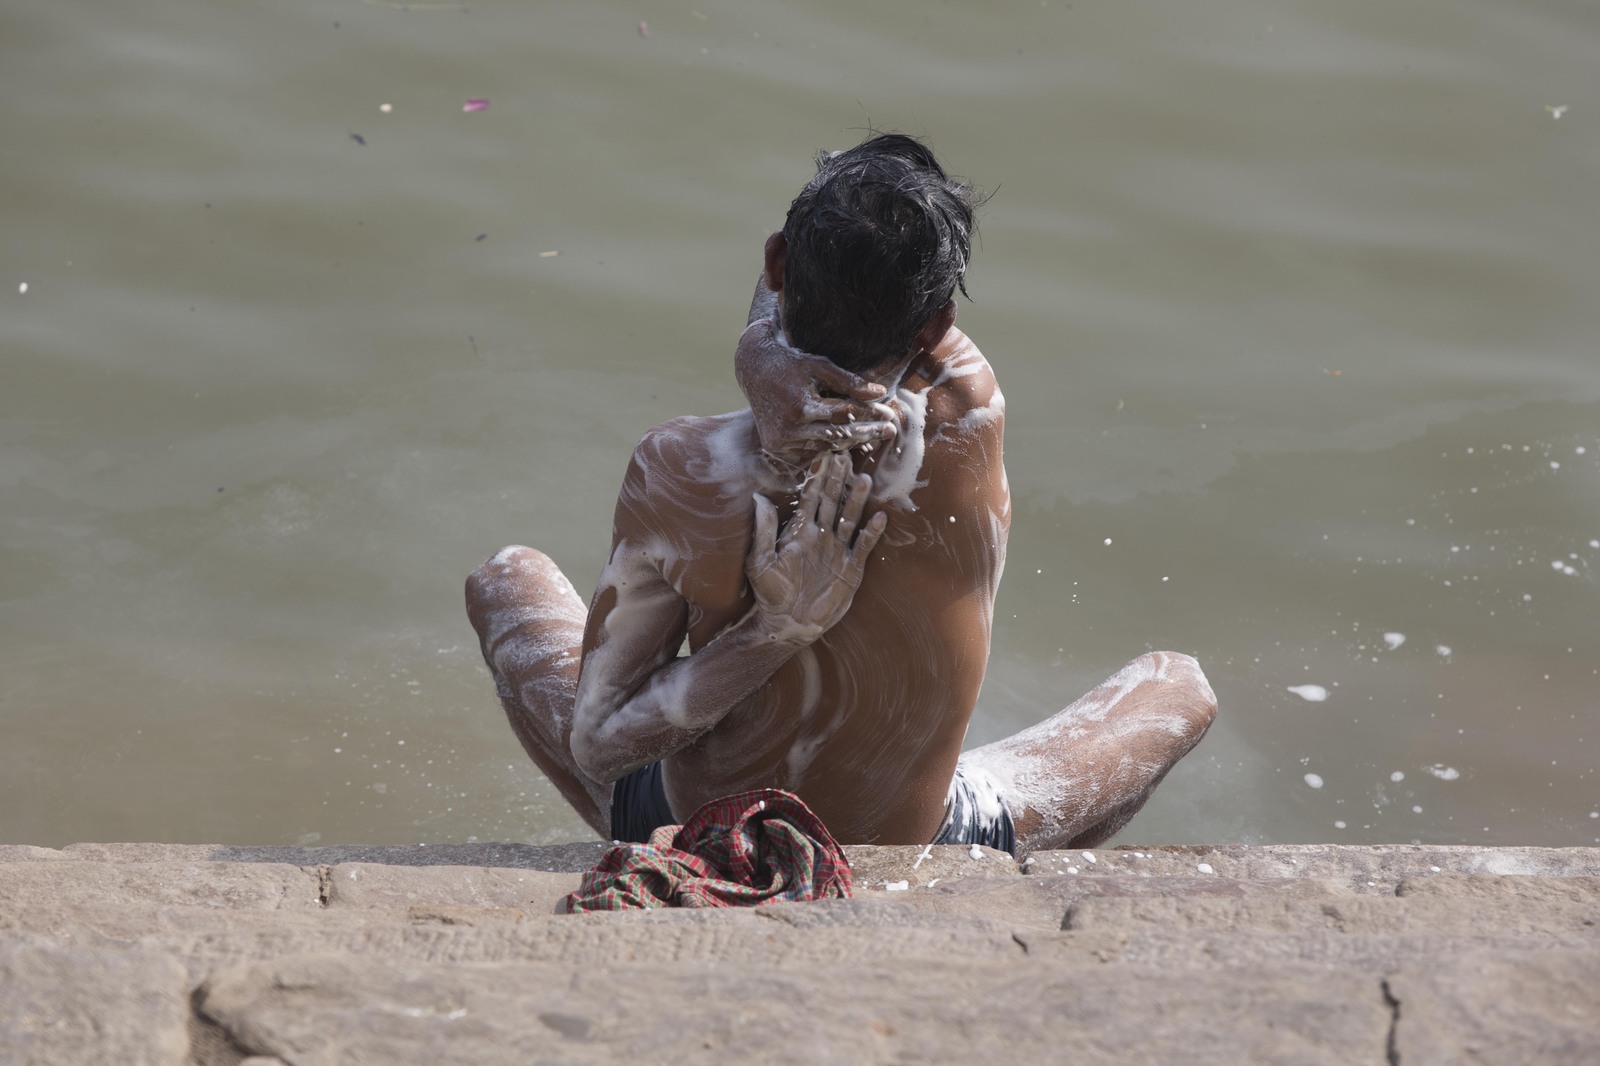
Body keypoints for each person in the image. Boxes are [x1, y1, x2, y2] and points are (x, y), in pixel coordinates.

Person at [466, 133, 1215, 855]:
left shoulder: (678, 466)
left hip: (693, 831)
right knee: (1181, 685)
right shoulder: (967, 412)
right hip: (929, 841)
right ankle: (986, 883)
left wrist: (773, 632)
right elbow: (844, 300)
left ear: (777, 261)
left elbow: (599, 748)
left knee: (504, 579)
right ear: (937, 325)